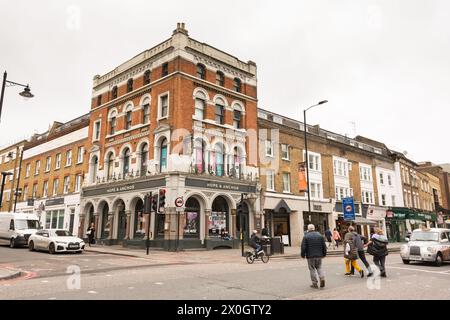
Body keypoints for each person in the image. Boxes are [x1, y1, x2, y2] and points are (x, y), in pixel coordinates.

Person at [301, 224, 327, 289]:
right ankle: (322, 277)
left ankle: (314, 283)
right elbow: (324, 246)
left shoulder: (306, 236)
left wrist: (303, 255)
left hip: (310, 256)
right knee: (319, 267)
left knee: (312, 269)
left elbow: (303, 247)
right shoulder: (320, 236)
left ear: (308, 229)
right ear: (314, 228)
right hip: (319, 255)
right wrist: (324, 254)